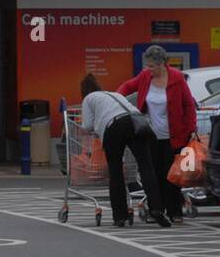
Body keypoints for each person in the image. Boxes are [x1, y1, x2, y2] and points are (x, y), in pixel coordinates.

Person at [78, 75, 170, 228]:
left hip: (113, 126)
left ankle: (120, 216)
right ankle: (157, 208)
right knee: (146, 166)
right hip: (137, 122)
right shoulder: (115, 94)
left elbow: (87, 125)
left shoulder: (88, 99)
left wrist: (98, 126)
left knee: (115, 169)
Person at [118, 45, 197, 222]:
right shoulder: (145, 77)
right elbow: (127, 86)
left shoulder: (177, 78)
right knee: (154, 174)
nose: (148, 69)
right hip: (150, 134)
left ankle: (175, 212)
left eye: (152, 66)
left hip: (174, 135)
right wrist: (117, 99)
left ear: (162, 64)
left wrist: (191, 128)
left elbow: (188, 105)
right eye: (147, 65)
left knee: (172, 175)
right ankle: (157, 210)